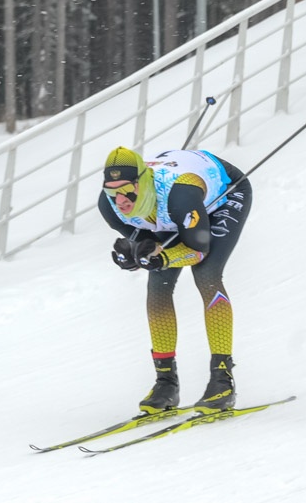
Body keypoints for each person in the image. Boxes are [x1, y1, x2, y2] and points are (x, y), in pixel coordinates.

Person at [98, 146, 252, 415]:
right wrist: (137, 256)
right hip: (174, 207)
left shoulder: (180, 195)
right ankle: (166, 383)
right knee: (158, 282)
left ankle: (222, 381)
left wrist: (162, 258)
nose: (120, 200)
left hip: (220, 197)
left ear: (141, 183)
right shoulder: (109, 207)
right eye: (112, 192)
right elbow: (147, 246)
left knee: (206, 273)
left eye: (125, 191)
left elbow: (197, 249)